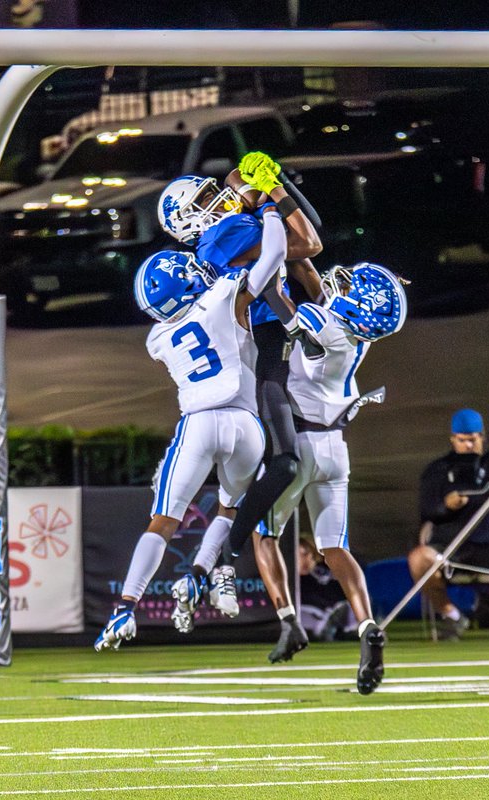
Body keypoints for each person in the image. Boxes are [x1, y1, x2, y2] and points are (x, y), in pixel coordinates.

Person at [93, 197, 288, 652]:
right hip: (245, 424)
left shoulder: (157, 338)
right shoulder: (222, 295)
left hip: (198, 424)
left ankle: (126, 608)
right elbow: (274, 254)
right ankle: (201, 572)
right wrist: (272, 209)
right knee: (229, 508)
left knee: (162, 522)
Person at [157, 154, 324, 581]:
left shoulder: (220, 235)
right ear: (188, 220)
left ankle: (212, 561)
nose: (218, 198)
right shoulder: (223, 234)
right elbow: (308, 242)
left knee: (280, 466)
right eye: (206, 198)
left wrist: (273, 184)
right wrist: (272, 190)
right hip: (265, 340)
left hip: (262, 341)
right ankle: (223, 557)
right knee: (285, 463)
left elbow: (308, 236)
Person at [248, 261, 407, 694]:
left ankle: (287, 619)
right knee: (335, 547)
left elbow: (274, 295)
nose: (343, 284)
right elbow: (318, 289)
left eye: (353, 287)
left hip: (296, 443)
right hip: (336, 449)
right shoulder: (357, 339)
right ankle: (367, 624)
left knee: (263, 535)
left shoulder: (323, 325)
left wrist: (269, 255)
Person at [406, 408, 489, 639]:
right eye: (462, 440)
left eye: (473, 439)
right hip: (451, 549)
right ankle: (452, 616)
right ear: (452, 439)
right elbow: (426, 511)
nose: (468, 445)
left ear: (482, 438)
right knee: (418, 559)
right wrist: (446, 505)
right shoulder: (437, 470)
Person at [297, 537, 353, 643]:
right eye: (302, 554)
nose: (307, 559)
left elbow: (340, 597)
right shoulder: (285, 579)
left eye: (312, 556)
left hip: (326, 613)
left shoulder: (324, 576)